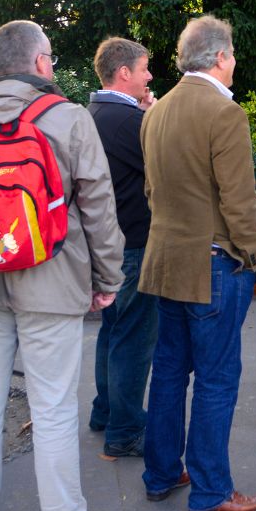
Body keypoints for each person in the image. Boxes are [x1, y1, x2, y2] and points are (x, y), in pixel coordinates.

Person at [0, 20, 124, 511]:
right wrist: (107, 278)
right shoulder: (69, 120)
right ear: (41, 63)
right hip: (54, 281)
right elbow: (97, 207)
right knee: (55, 411)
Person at [141, 15, 256, 511]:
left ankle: (162, 472)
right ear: (219, 57)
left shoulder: (156, 111)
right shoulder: (224, 114)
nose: (234, 62)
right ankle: (212, 490)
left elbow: (154, 192)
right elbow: (239, 202)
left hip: (166, 259)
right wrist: (255, 258)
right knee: (217, 378)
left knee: (170, 370)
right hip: (215, 263)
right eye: (232, 54)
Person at [87, 38, 157, 460]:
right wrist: (153, 116)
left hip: (109, 244)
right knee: (134, 338)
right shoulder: (124, 119)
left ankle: (106, 412)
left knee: (112, 332)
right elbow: (163, 165)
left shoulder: (95, 113)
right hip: (133, 245)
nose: (150, 76)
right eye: (145, 69)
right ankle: (126, 431)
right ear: (124, 72)